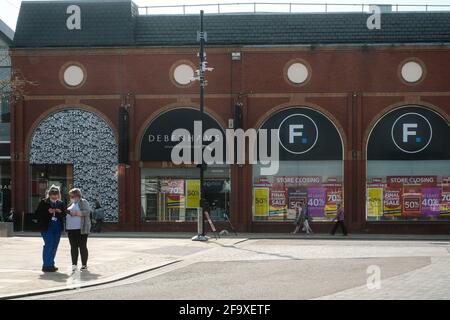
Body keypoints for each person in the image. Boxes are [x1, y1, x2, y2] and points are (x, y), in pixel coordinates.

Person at [35, 185, 66, 272]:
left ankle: (51, 264)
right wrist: (47, 212)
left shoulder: (61, 203)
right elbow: (37, 214)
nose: (54, 196)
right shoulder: (43, 202)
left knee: (54, 246)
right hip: (46, 227)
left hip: (57, 227)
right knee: (49, 243)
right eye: (52, 194)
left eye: (56, 194)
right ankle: (46, 265)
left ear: (58, 194)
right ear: (49, 194)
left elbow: (64, 214)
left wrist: (60, 212)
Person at [66, 188, 92, 272]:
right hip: (71, 229)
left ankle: (84, 265)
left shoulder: (83, 202)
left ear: (78, 195)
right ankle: (74, 265)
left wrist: (77, 213)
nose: (72, 197)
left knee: (82, 247)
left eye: (73, 196)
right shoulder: (71, 203)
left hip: (81, 229)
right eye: (71, 196)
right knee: (73, 247)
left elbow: (88, 212)